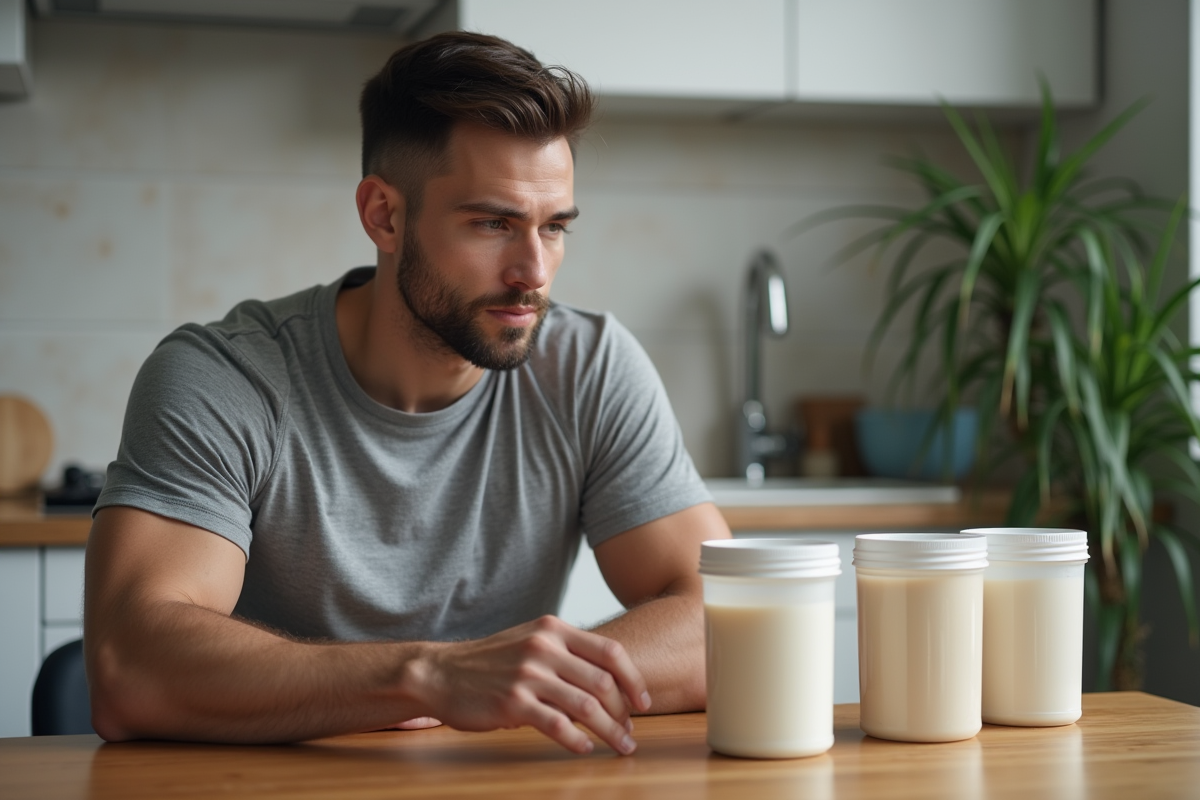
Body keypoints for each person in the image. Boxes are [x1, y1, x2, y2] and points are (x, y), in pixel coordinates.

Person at [83, 31, 731, 757]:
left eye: (554, 228)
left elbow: (728, 620)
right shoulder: (226, 376)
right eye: (494, 224)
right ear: (384, 216)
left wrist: (530, 682)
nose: (534, 271)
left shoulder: (590, 366)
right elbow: (128, 665)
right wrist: (428, 676)